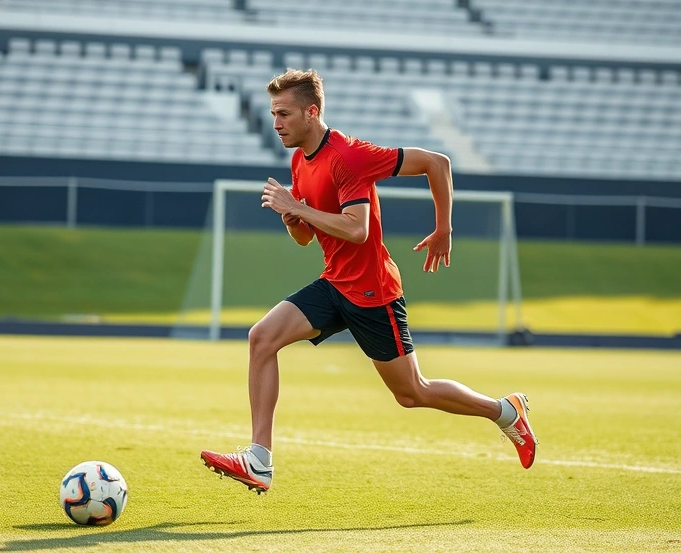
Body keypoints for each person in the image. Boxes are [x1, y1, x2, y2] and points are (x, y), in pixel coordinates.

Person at [200, 69, 536, 494]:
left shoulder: (349, 157)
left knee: (412, 393)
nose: (276, 123)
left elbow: (383, 208)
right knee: (262, 338)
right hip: (335, 283)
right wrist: (292, 217)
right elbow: (306, 238)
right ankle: (259, 460)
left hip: (373, 292)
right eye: (273, 114)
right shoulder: (299, 160)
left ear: (311, 112)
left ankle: (505, 411)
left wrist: (444, 228)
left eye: (283, 114)